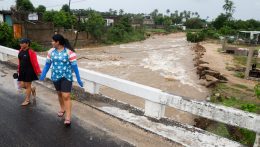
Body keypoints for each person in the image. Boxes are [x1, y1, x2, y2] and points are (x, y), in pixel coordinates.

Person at [40, 34, 83, 127]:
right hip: (55, 76)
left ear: (57, 42)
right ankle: (62, 108)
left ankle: (68, 116)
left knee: (66, 96)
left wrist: (78, 79)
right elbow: (47, 64)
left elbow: (75, 66)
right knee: (59, 94)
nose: (51, 43)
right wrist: (43, 74)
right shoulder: (51, 52)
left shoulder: (69, 53)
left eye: (52, 41)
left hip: (66, 77)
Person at [18, 38, 41, 106]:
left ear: (27, 43)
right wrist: (18, 69)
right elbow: (20, 61)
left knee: (27, 86)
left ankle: (27, 100)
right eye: (20, 43)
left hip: (29, 71)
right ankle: (32, 89)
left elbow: (35, 62)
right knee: (22, 85)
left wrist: (38, 71)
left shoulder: (31, 52)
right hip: (22, 71)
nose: (21, 44)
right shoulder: (20, 51)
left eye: (22, 43)